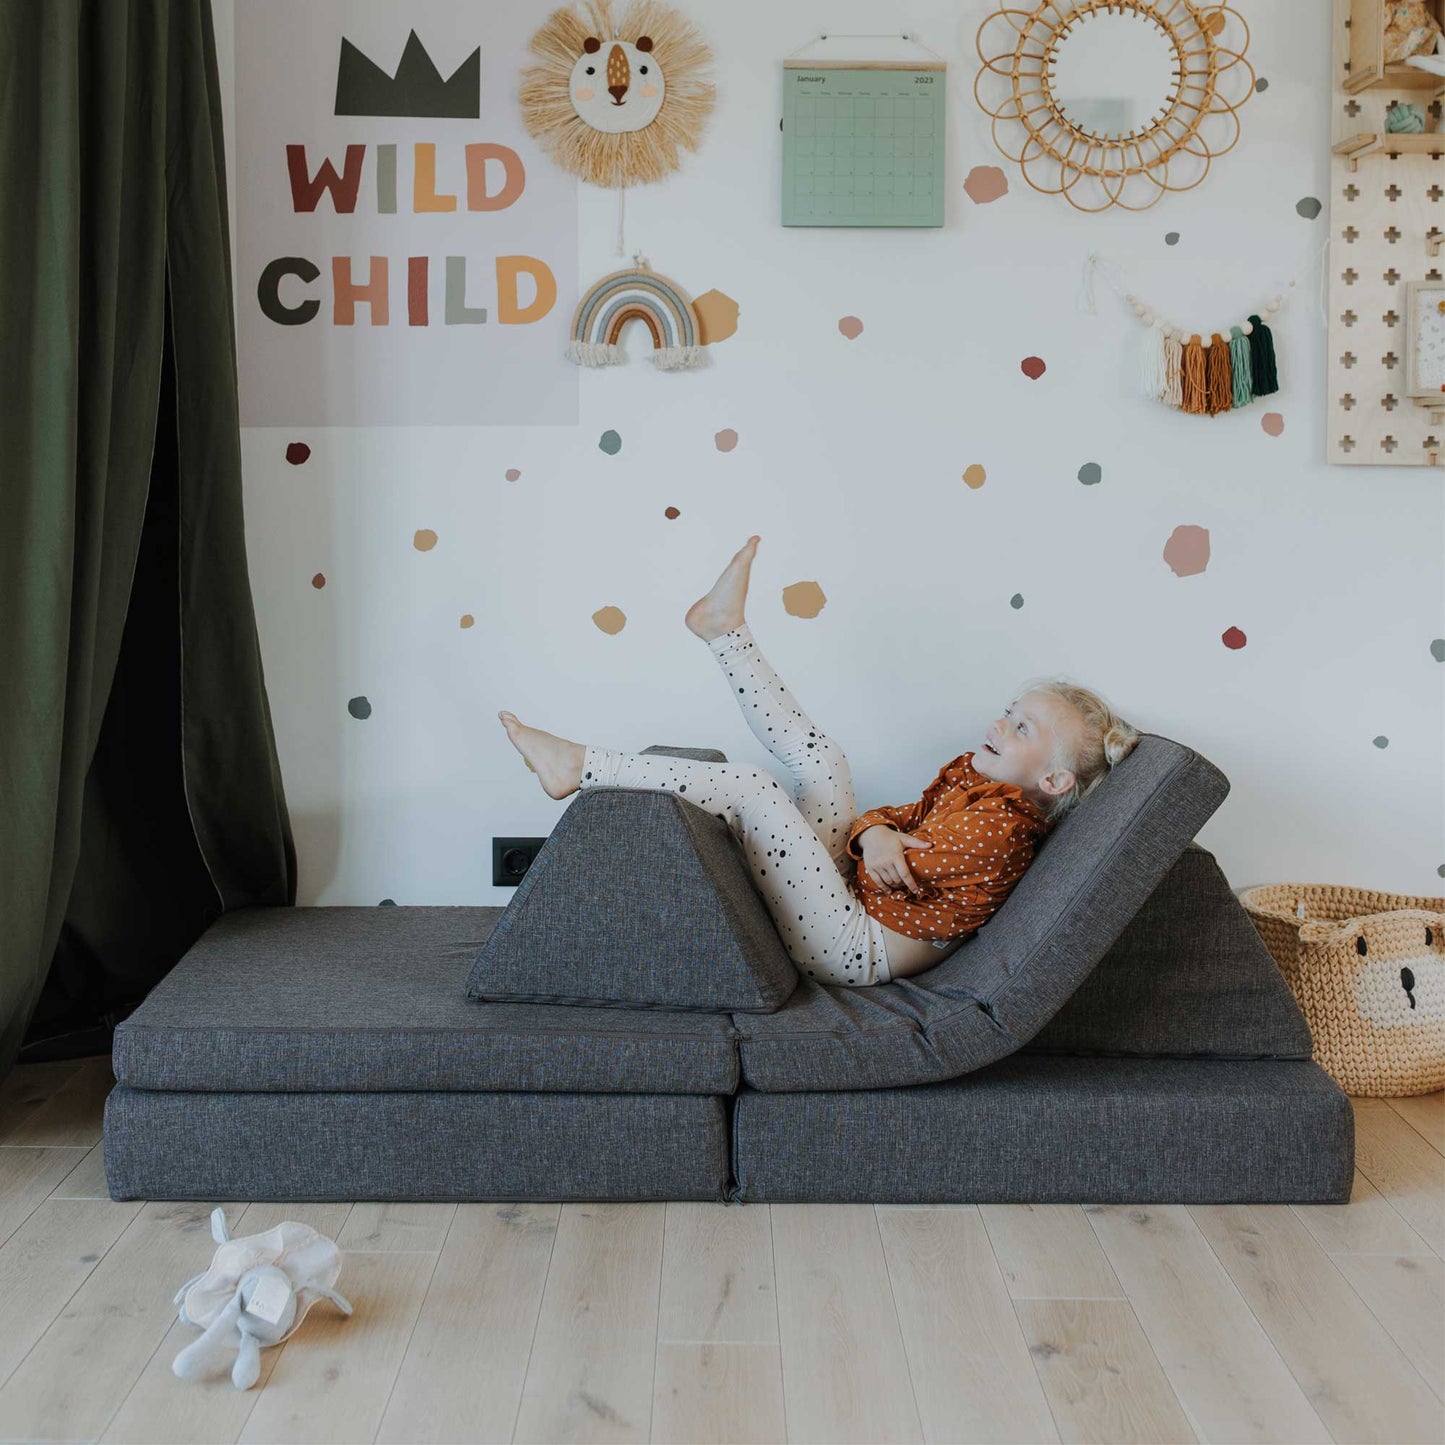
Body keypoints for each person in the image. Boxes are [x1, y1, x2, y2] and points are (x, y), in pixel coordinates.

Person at [498, 537, 1141, 987]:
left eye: (1021, 726)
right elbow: (891, 821)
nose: (999, 723)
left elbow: (897, 864)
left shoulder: (1002, 830)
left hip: (850, 945)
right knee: (823, 761)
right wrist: (879, 831)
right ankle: (724, 631)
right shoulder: (972, 779)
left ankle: (582, 766)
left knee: (753, 788)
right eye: (1009, 710)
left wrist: (882, 838)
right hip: (849, 897)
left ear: (1053, 779)